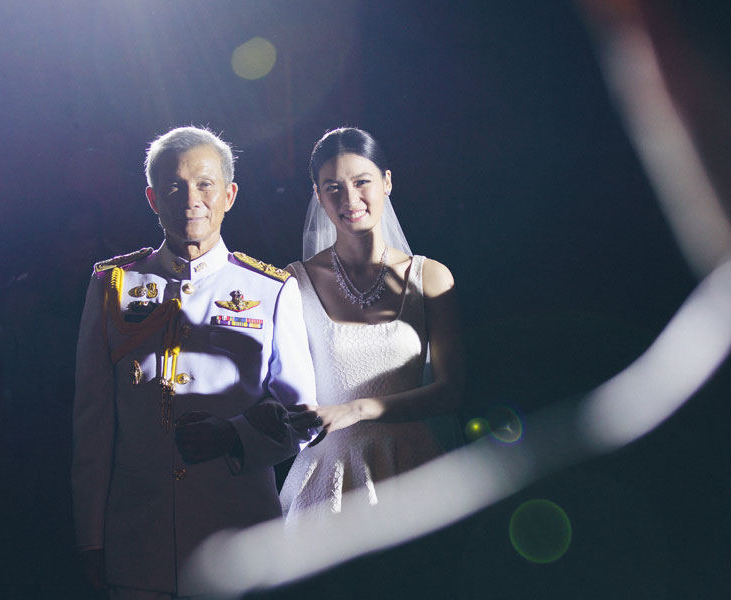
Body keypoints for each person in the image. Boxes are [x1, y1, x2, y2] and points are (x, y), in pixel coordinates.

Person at [72, 126, 318, 598]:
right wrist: (91, 537)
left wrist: (234, 435)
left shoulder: (271, 291)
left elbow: (303, 416)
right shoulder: (112, 285)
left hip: (239, 541)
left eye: (205, 184)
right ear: (152, 198)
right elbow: (92, 428)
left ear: (229, 195)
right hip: (137, 543)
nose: (191, 200)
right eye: (174, 186)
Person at [278, 127, 464, 524]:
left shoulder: (431, 277)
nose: (349, 199)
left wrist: (358, 409)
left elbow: (453, 392)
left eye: (362, 182)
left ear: (387, 182)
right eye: (333, 188)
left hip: (410, 468)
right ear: (318, 196)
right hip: (328, 475)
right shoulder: (293, 283)